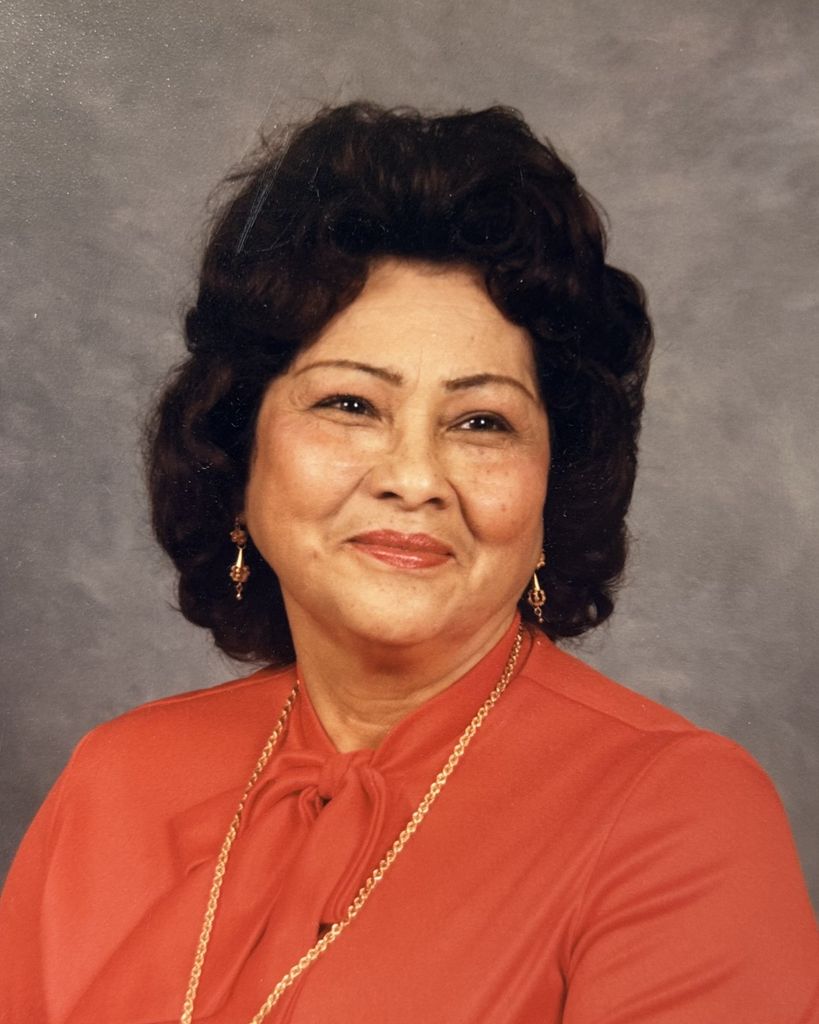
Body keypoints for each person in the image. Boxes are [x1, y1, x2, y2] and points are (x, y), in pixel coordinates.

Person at [0, 102, 816, 1024]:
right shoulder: (118, 779)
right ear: (237, 455)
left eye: (482, 422)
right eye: (350, 405)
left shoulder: (677, 811)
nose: (415, 478)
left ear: (551, 491)